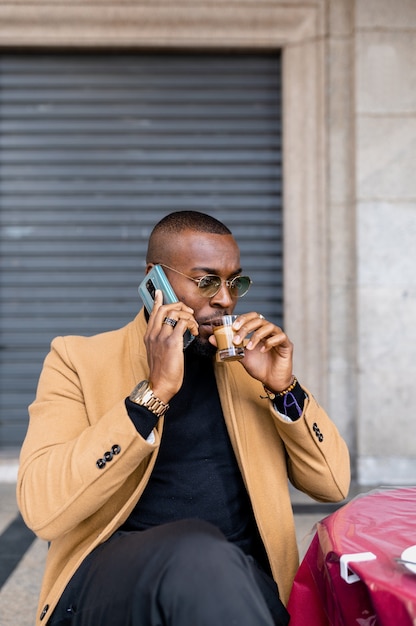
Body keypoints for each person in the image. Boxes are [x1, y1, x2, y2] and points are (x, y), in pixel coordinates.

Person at [17, 211, 350, 626]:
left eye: (236, 282)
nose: (226, 299)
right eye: (207, 281)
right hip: (110, 582)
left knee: (215, 561)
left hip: (238, 579)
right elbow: (43, 510)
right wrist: (152, 394)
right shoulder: (78, 360)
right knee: (198, 550)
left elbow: (332, 484)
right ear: (154, 280)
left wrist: (285, 391)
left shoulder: (251, 370)